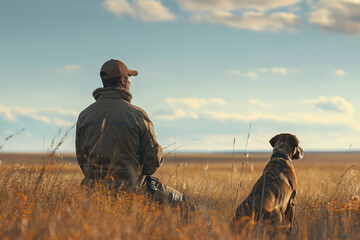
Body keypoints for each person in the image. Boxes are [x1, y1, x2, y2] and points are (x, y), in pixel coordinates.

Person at [75, 59, 191, 208]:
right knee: (185, 204)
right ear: (123, 80)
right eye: (130, 77)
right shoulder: (137, 115)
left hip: (91, 190)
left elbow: (81, 159)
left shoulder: (85, 115)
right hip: (132, 189)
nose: (130, 81)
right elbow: (152, 161)